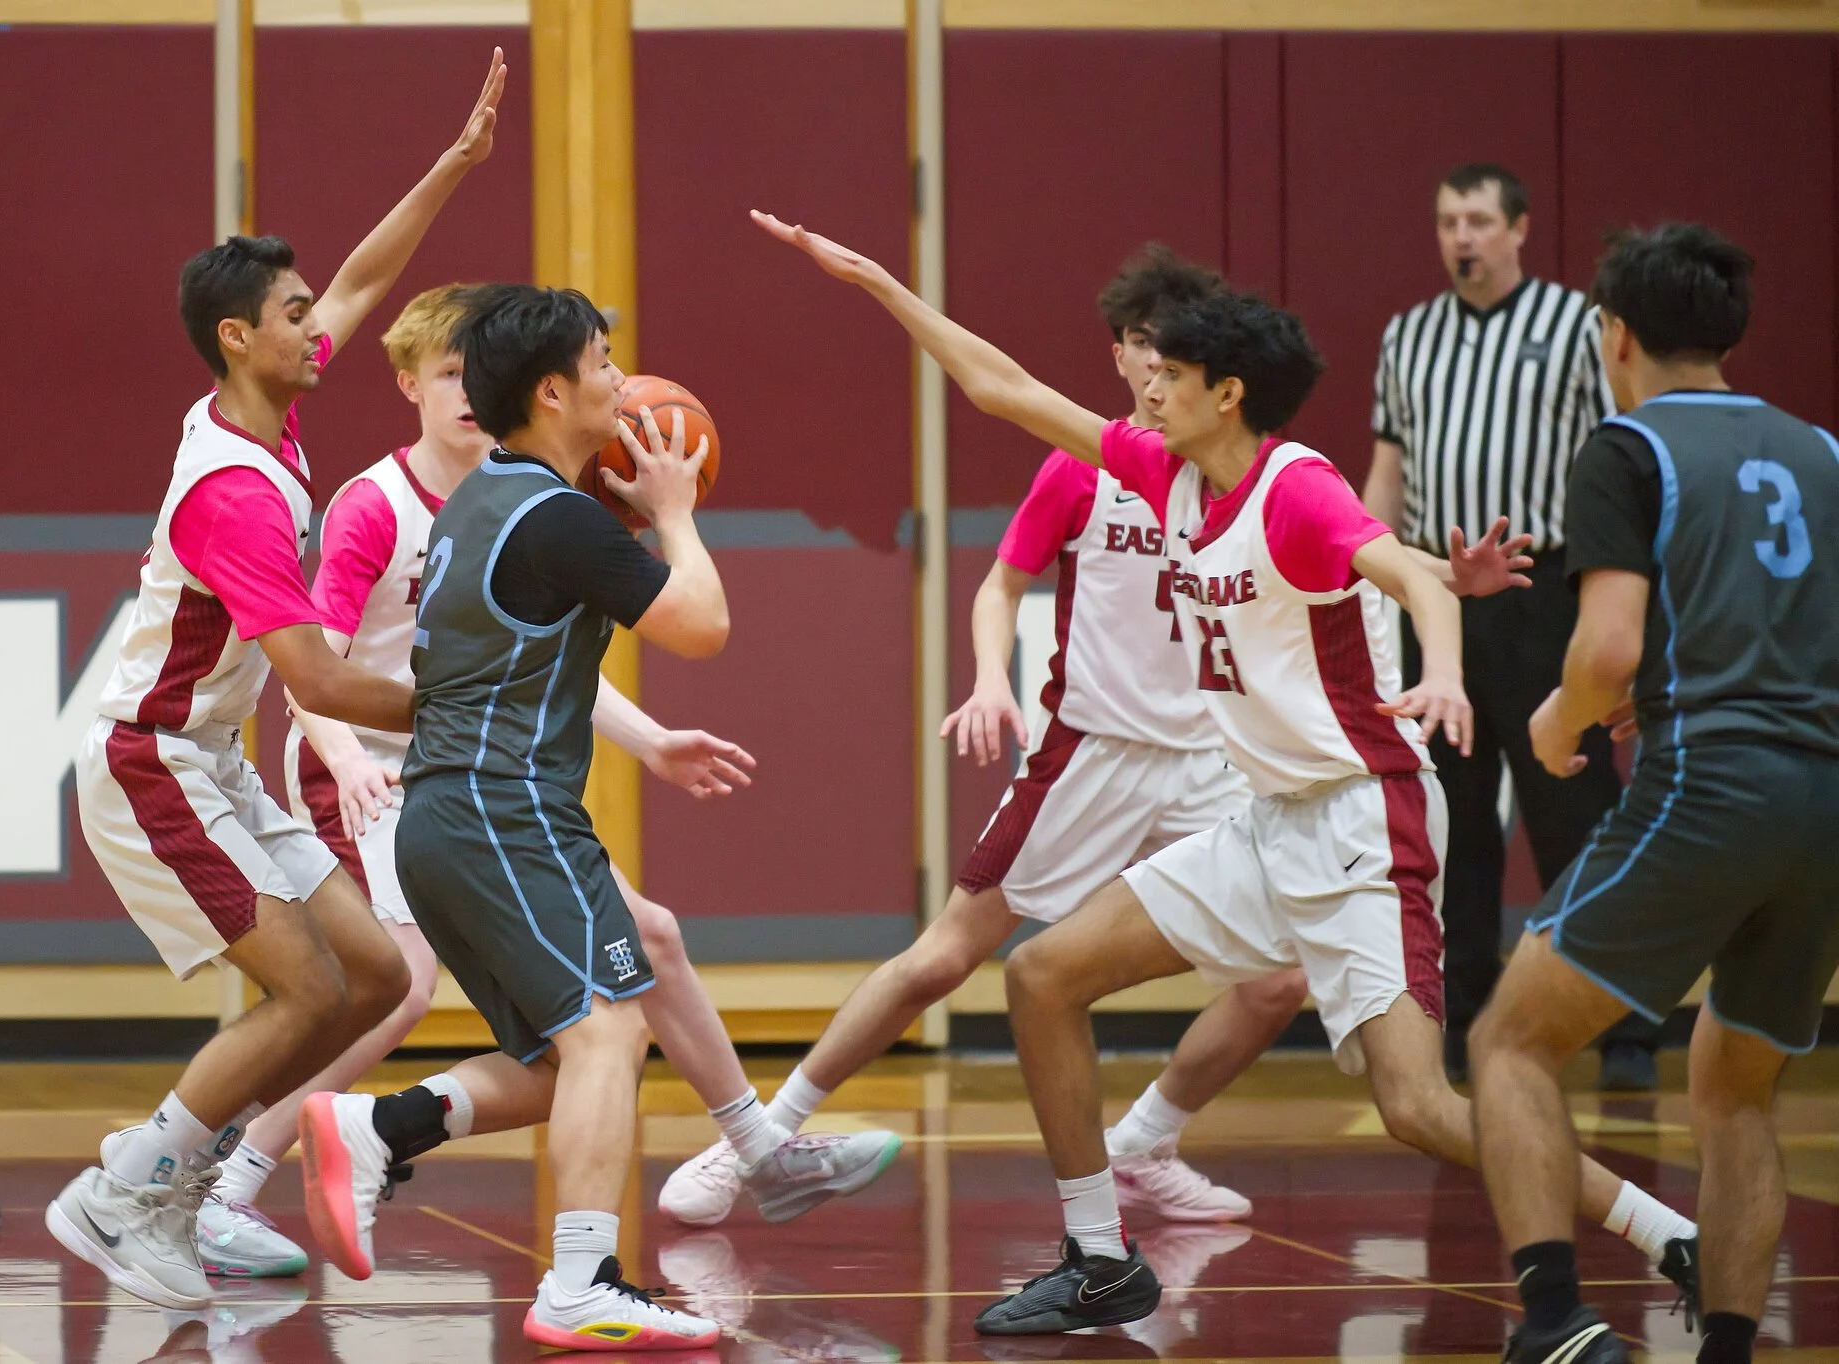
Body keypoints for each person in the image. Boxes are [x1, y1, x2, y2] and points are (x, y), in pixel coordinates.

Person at [747, 208, 1700, 1338]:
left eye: (1173, 372)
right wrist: (874, 283)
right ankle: (1098, 1255)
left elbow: (1410, 574)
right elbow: (1004, 390)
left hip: (1362, 822)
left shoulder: (1296, 489)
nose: (1146, 384)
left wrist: (1441, 667)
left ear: (1228, 393)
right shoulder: (1160, 469)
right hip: (1269, 823)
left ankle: (1659, 1230)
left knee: (1416, 1106)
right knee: (1041, 975)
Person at [197, 284, 896, 1278]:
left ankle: (379, 1126)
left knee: (569, 1052)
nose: (621, 379)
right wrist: (674, 514)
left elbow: (528, 653)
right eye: (604, 362)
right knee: (607, 1029)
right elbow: (702, 626)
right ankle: (580, 1281)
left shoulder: (486, 496)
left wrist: (647, 733)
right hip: (498, 809)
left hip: (451, 808)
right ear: (555, 393)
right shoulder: (549, 519)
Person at [659, 244, 1309, 1229]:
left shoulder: (1244, 477)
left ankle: (1144, 1140)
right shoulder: (1090, 463)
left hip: (1203, 762)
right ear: (1119, 355)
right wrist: (986, 682)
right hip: (1090, 753)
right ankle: (757, 1139)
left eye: (1167, 351)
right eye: (1136, 346)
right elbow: (1002, 563)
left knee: (1276, 981)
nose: (1147, 366)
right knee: (941, 957)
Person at [48, 54, 511, 1313]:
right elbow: (311, 670)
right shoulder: (238, 490)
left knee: (370, 978)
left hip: (214, 757)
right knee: (305, 985)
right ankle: (127, 1184)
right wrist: (465, 702)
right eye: (296, 314)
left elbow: (365, 273)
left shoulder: (271, 407)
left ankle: (183, 1176)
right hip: (155, 757)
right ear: (240, 337)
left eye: (314, 309)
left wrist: (455, 165)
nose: (325, 325)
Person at [1470, 224, 1839, 1364]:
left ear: (1613, 333)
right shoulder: (1821, 451)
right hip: (1821, 802)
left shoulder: (1623, 446)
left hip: (1708, 790)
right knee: (1733, 1087)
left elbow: (1607, 645)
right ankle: (1726, 1347)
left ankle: (1550, 1322)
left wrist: (1559, 716)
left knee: (1508, 1040)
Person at [1364, 163, 1659, 1090]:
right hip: (1439, 598)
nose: (1463, 236)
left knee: (1574, 809)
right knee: (1451, 825)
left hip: (1542, 596)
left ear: (1519, 229)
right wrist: (1369, 579)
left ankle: (1624, 1028)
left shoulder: (1575, 324)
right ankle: (1465, 1024)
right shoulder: (1407, 335)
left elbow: (1627, 447)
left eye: (1480, 220)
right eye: (1449, 219)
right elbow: (1388, 471)